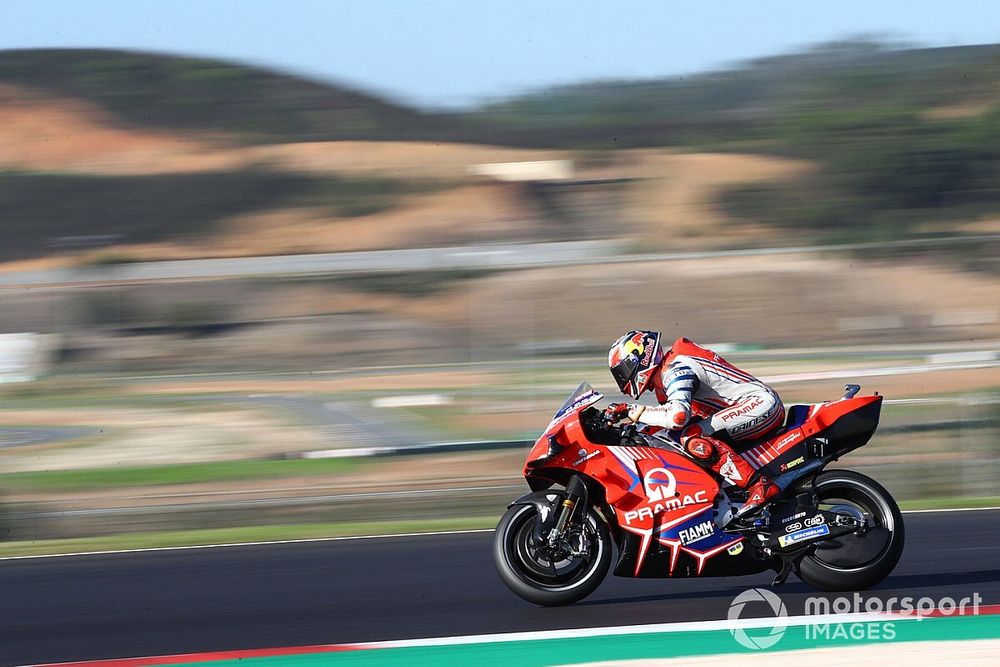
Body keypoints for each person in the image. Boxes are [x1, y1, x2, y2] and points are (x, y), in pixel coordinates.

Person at [606, 330, 783, 523]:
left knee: (692, 435)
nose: (622, 380)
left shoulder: (675, 368)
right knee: (670, 434)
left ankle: (758, 485)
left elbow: (678, 417)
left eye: (622, 371)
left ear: (638, 359)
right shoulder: (667, 375)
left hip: (760, 404)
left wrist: (634, 411)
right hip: (748, 407)